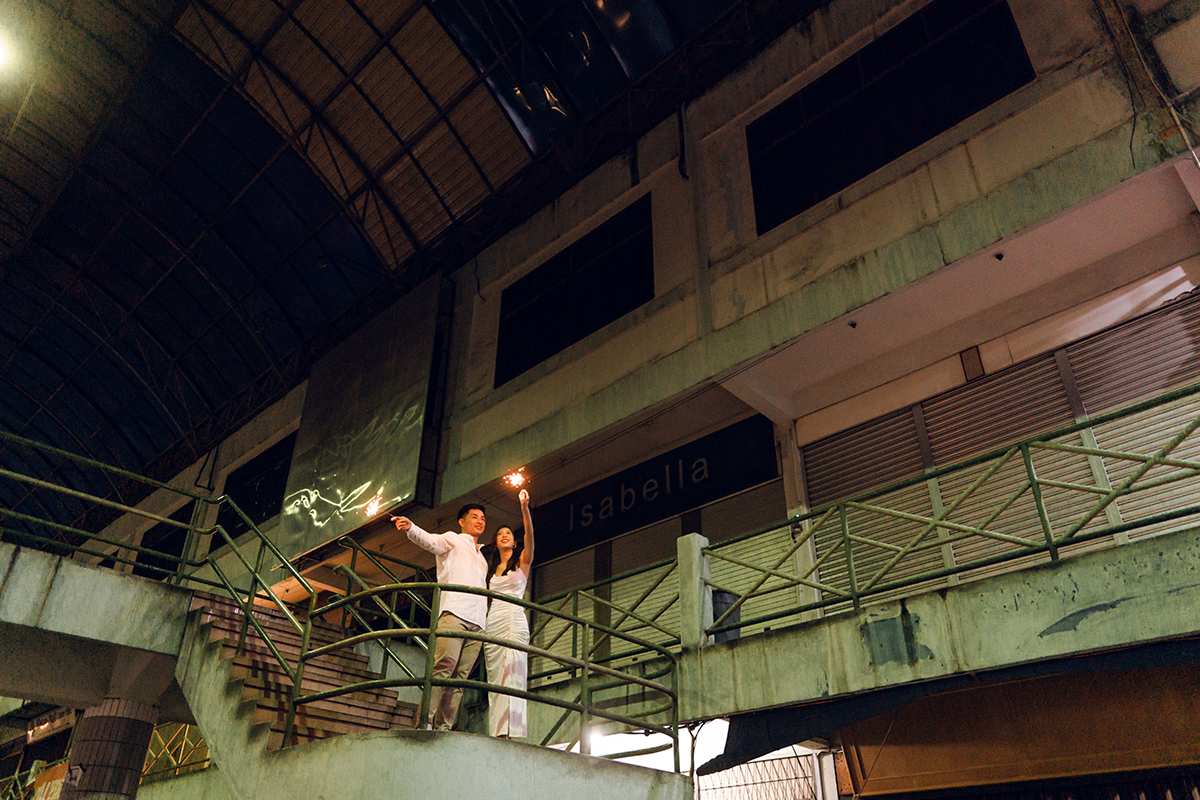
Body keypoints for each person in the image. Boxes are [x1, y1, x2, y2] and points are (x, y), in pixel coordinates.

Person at [393, 504, 488, 731]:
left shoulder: (483, 558)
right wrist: (411, 528)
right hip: (454, 613)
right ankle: (424, 723)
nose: (480, 520)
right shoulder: (452, 540)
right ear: (461, 521)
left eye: (483, 518)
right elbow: (430, 541)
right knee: (443, 669)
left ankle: (444, 727)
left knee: (460, 679)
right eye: (474, 517)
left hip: (478, 623)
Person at [483, 488, 535, 738]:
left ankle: (513, 733)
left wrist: (524, 508)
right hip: (493, 621)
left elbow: (530, 535)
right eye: (500, 533)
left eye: (509, 534)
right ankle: (497, 733)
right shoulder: (491, 568)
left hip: (514, 619)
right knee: (495, 678)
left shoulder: (523, 561)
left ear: (515, 541)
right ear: (496, 541)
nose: (505, 535)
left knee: (512, 673)